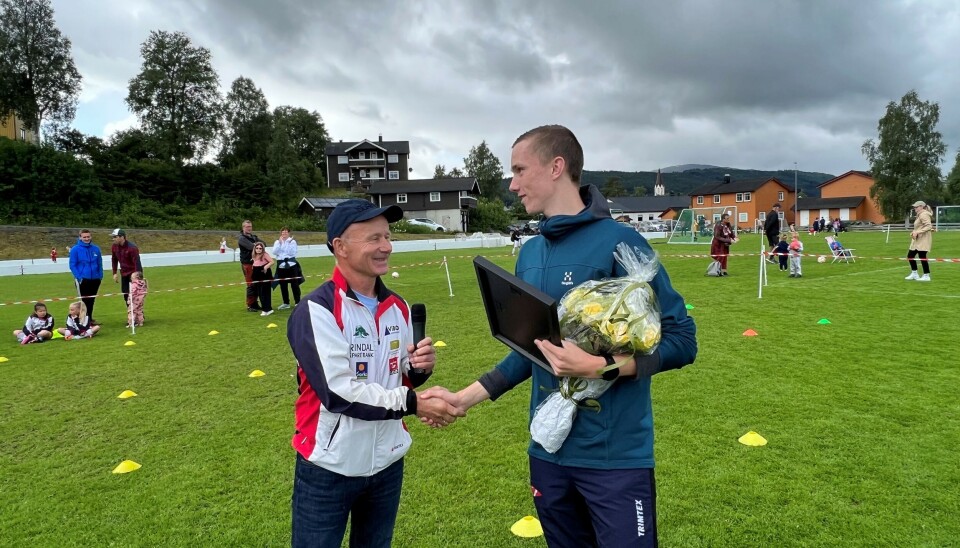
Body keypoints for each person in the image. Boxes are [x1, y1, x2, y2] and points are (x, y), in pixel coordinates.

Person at [421, 125, 697, 547]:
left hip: (615, 457)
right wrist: (465, 397)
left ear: (556, 167)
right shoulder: (530, 252)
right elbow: (531, 350)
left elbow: (682, 339)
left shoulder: (623, 242)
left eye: (518, 170)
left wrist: (603, 367)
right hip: (548, 451)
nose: (511, 185)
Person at [286, 199, 462, 547]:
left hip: (386, 462)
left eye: (388, 236)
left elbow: (395, 378)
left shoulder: (397, 306)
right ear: (340, 247)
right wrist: (413, 402)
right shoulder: (316, 310)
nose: (386, 247)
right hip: (328, 465)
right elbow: (338, 392)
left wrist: (417, 369)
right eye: (374, 238)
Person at [69, 229, 104, 325]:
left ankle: (90, 319)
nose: (86, 238)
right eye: (84, 237)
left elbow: (99, 263)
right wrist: (79, 277)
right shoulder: (75, 249)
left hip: (95, 279)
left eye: (88, 236)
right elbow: (72, 265)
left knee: (92, 300)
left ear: (91, 237)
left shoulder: (96, 249)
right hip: (83, 279)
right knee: (83, 301)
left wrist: (100, 275)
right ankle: (83, 320)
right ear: (80, 237)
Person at [272, 227, 303, 309]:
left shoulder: (292, 242)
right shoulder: (277, 242)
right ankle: (286, 303)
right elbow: (275, 252)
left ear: (288, 233)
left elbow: (291, 253)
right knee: (283, 285)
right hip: (281, 265)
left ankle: (297, 302)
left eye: (286, 232)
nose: (284, 233)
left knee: (294, 284)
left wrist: (287, 243)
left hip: (291, 265)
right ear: (281, 233)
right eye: (283, 232)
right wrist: (280, 243)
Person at [110, 229, 143, 308]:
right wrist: (114, 273)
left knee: (135, 295)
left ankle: (138, 314)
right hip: (124, 273)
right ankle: (130, 312)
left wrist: (137, 276)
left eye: (115, 237)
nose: (113, 239)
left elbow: (137, 262)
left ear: (122, 237)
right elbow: (114, 259)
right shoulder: (114, 247)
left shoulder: (132, 248)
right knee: (125, 294)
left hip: (134, 273)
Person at [238, 220, 264, 312]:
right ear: (243, 228)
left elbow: (263, 244)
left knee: (256, 283)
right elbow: (251, 247)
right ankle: (250, 305)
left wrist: (256, 245)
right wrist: (257, 245)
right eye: (247, 227)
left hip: (256, 263)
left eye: (250, 226)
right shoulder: (242, 238)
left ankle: (255, 303)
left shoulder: (253, 237)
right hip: (247, 264)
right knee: (251, 284)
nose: (249, 228)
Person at [905, 200, 934, 282]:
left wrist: (917, 232)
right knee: (910, 255)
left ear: (921, 206)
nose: (915, 208)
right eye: (914, 207)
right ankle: (914, 273)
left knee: (922, 256)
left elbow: (928, 226)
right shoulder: (919, 215)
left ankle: (926, 275)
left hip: (923, 239)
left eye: (916, 207)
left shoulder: (924, 214)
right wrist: (914, 232)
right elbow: (920, 227)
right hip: (917, 239)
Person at [250, 242, 275, 316]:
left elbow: (272, 261)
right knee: (260, 293)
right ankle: (267, 309)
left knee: (265, 293)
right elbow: (254, 264)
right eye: (257, 248)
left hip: (264, 276)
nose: (258, 250)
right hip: (256, 276)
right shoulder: (254, 255)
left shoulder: (265, 254)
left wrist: (265, 267)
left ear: (262, 249)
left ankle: (267, 309)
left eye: (260, 248)